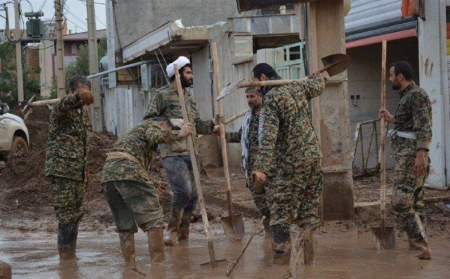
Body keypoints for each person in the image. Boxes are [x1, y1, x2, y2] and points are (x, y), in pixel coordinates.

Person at [251, 63, 327, 265]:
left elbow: (268, 138)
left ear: (263, 77)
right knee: (309, 213)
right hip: (313, 157)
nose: (256, 89)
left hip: (291, 163)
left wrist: (261, 169)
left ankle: (280, 265)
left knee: (279, 215)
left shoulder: (271, 100)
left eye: (256, 83)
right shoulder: (298, 87)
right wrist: (320, 75)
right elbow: (319, 85)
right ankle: (310, 265)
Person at [101, 117, 193, 266]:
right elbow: (155, 136)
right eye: (167, 131)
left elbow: (128, 163)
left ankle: (130, 268)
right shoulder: (152, 125)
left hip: (108, 175)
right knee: (154, 221)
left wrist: (152, 182)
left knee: (124, 224)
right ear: (162, 124)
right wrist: (179, 134)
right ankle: (159, 267)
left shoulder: (133, 134)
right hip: (128, 171)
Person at [144, 56, 215, 246]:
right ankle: (172, 228)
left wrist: (213, 126)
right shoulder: (162, 95)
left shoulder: (189, 98)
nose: (192, 76)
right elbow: (150, 121)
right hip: (172, 151)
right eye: (188, 73)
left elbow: (197, 124)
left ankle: (184, 234)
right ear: (178, 74)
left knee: (192, 197)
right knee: (183, 191)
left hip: (193, 151)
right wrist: (173, 124)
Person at [378, 61, 432, 260]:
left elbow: (423, 127)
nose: (390, 79)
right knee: (416, 203)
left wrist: (420, 155)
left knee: (401, 202)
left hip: (411, 158)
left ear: (400, 76)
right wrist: (391, 118)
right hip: (408, 156)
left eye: (391, 76)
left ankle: (420, 247)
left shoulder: (416, 96)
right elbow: (408, 123)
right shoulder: (408, 97)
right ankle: (419, 249)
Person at [45, 76, 94, 260]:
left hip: (78, 173)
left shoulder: (81, 114)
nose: (83, 98)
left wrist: (86, 172)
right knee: (66, 217)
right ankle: (65, 261)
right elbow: (63, 104)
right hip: (62, 172)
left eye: (86, 92)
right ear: (70, 91)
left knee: (75, 216)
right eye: (81, 92)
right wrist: (77, 97)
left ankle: (70, 258)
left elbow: (82, 145)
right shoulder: (61, 109)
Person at [216, 87, 271, 236]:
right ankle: (269, 234)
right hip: (252, 170)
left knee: (274, 203)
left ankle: (278, 236)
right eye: (247, 97)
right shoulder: (248, 117)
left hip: (270, 169)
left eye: (252, 96)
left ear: (261, 96)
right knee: (261, 205)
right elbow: (240, 136)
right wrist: (223, 134)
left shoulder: (270, 116)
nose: (249, 100)